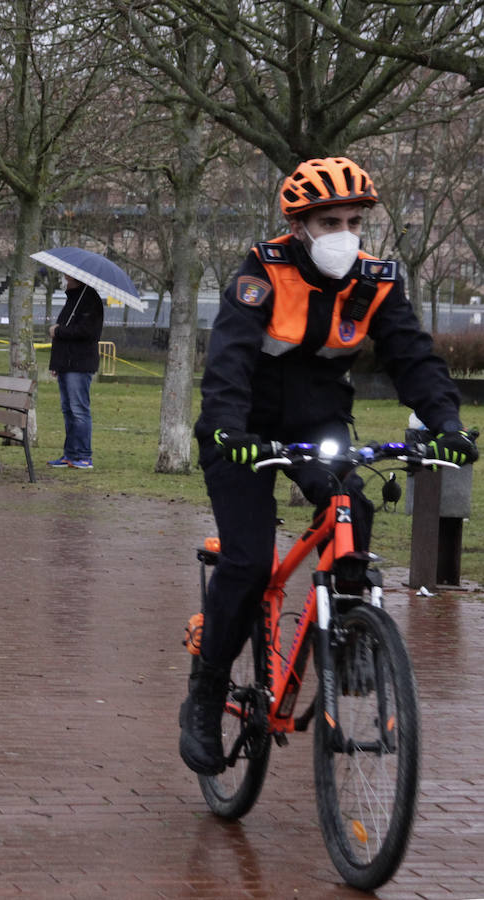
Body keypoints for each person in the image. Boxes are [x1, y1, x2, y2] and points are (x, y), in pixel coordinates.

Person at [179, 157, 478, 776]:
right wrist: (232, 430)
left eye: (354, 220)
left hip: (318, 428)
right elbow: (230, 358)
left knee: (352, 506)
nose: (344, 232)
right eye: (329, 221)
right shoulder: (263, 272)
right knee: (250, 558)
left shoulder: (375, 281)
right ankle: (206, 695)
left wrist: (447, 426)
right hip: (243, 429)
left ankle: (349, 632)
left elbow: (414, 359)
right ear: (300, 225)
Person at [47, 277, 104, 469]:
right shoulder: (73, 299)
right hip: (66, 364)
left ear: (75, 278)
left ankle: (84, 455)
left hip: (79, 365)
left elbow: (86, 332)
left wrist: (58, 331)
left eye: (67, 277)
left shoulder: (90, 300)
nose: (64, 279)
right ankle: (70, 454)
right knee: (68, 411)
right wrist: (57, 363)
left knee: (79, 410)